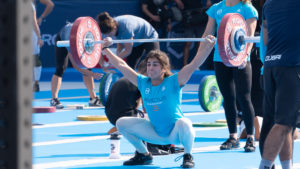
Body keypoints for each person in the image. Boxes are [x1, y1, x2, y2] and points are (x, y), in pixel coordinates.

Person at [101, 35, 215, 167]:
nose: (150, 68)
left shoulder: (174, 81)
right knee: (121, 122)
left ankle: (188, 156)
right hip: (155, 133)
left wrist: (208, 47)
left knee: (185, 122)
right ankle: (144, 155)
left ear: (163, 68)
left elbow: (194, 64)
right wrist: (105, 49)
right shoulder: (143, 83)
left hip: (175, 134)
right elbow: (121, 65)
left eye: (155, 65)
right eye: (149, 64)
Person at [199, 0, 258, 152]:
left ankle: (251, 137)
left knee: (244, 98)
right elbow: (207, 34)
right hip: (220, 59)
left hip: (240, 59)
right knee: (228, 99)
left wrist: (244, 56)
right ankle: (233, 137)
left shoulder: (248, 9)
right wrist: (198, 57)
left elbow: (250, 38)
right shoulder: (216, 9)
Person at [258, 0, 300, 168]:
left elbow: (266, 39)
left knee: (285, 123)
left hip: (270, 66)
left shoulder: (269, 4)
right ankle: (265, 166)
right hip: (291, 67)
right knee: (283, 123)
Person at [50, 22, 103, 109]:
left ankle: (93, 99)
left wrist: (104, 65)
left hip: (78, 37)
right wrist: (92, 75)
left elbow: (98, 52)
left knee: (87, 66)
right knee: (61, 69)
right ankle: (54, 99)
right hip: (63, 38)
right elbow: (76, 66)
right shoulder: (72, 42)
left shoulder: (90, 37)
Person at [174, 0, 209, 67]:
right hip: (188, 18)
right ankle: (185, 65)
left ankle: (197, 65)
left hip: (200, 17)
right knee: (188, 43)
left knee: (200, 44)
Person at [32, 2, 44, 92]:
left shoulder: (30, 5)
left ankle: (36, 83)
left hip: (31, 34)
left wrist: (39, 37)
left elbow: (34, 22)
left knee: (35, 58)